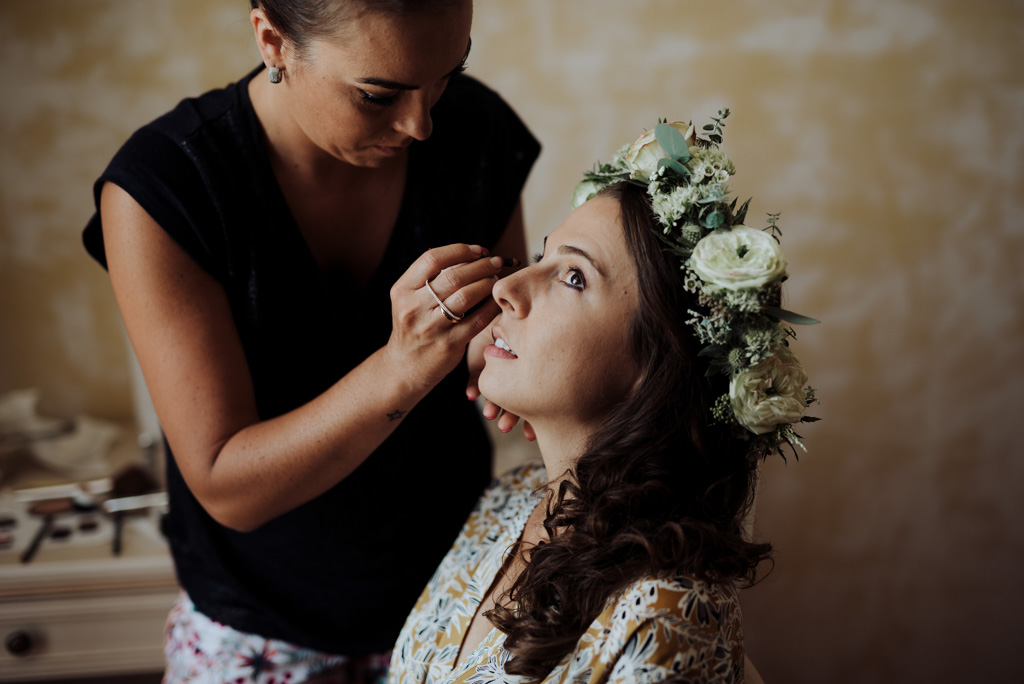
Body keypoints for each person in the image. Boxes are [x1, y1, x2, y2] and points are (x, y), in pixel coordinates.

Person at [82, 0, 539, 680]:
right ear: (273, 40)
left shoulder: (475, 131)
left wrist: (514, 362)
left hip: (454, 602)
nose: (421, 123)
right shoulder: (166, 189)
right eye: (377, 94)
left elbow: (494, 340)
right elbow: (229, 486)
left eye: (447, 73)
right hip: (258, 630)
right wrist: (399, 368)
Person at [389, 115, 817, 683]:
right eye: (541, 257)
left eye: (572, 277)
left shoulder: (670, 620)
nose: (506, 288)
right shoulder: (505, 502)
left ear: (656, 365)